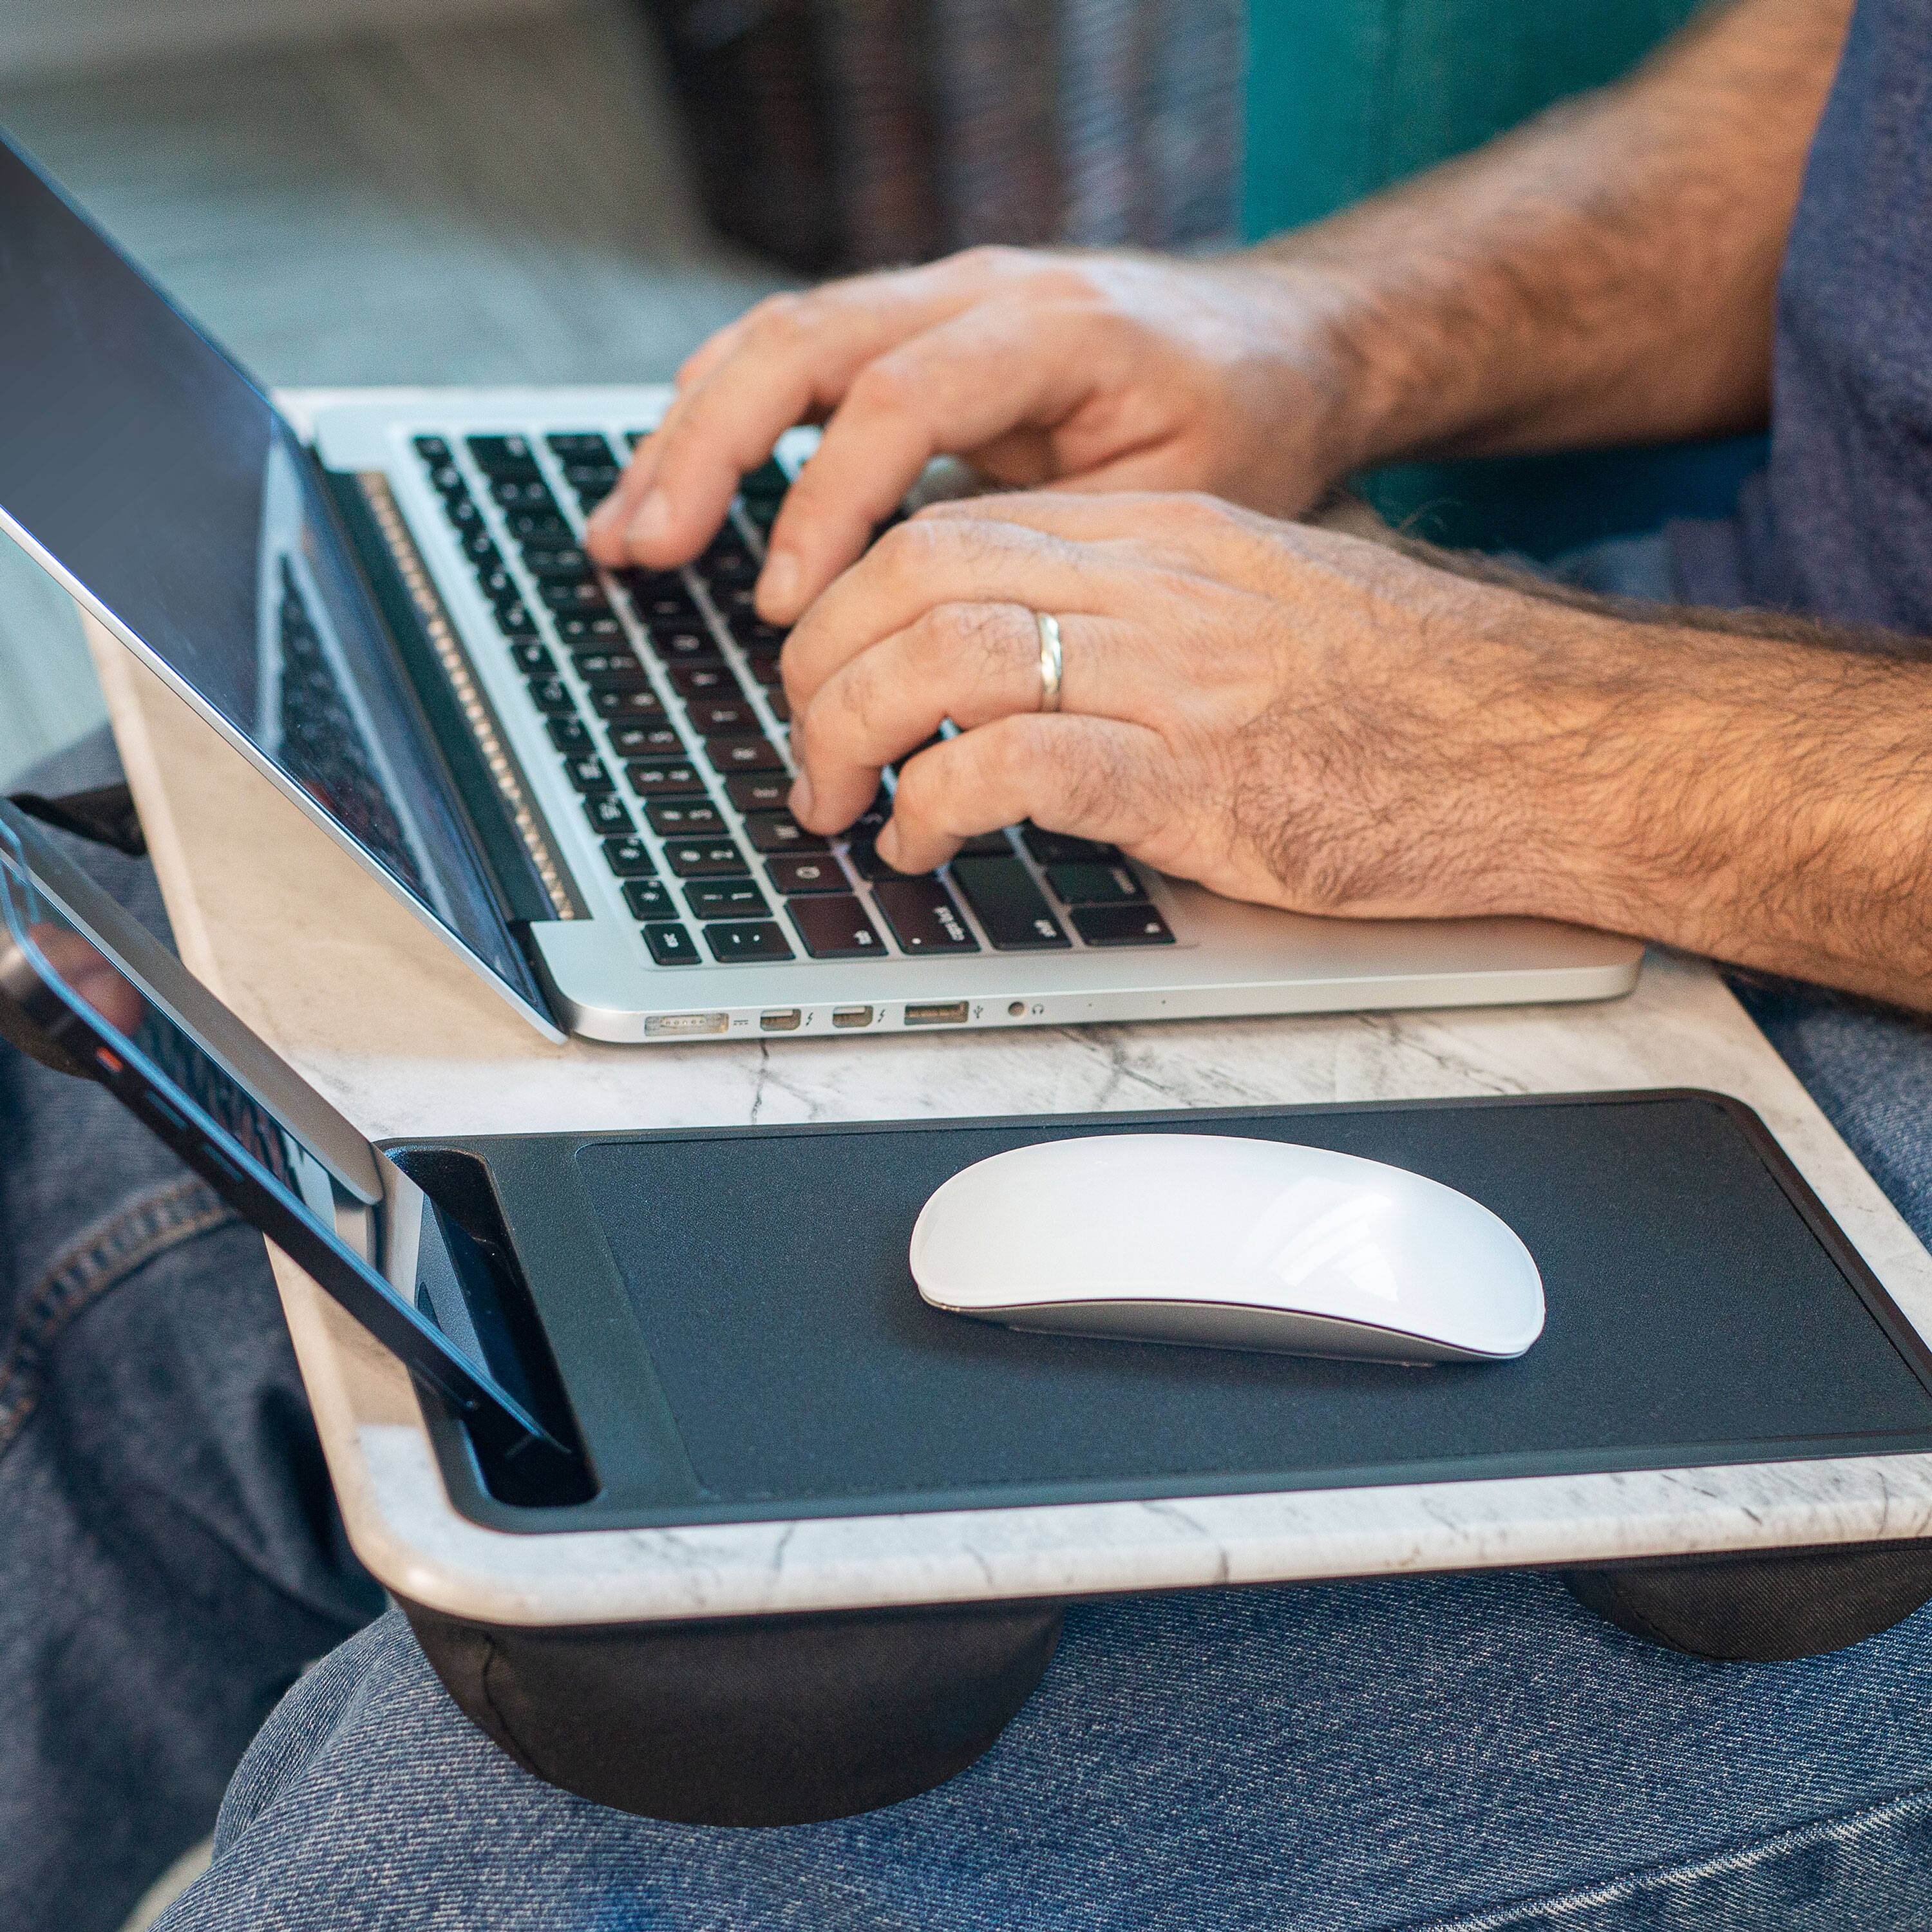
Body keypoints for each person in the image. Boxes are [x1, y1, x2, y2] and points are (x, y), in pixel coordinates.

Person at [10, 0, 1932, 1925]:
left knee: (539, 1850)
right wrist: (1334, 333)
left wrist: (1516, 739)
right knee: (126, 1076)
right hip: (1747, 655)